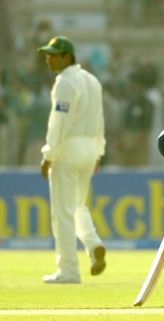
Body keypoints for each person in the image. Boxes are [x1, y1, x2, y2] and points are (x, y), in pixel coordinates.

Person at [37, 36, 106, 284]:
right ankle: (93, 243)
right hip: (89, 148)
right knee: (78, 205)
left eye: (53, 54)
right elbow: (99, 120)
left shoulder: (64, 81)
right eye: (48, 54)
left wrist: (48, 155)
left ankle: (68, 270)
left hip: (68, 148)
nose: (48, 59)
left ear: (67, 56)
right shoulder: (92, 80)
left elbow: (59, 123)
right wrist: (99, 151)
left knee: (62, 213)